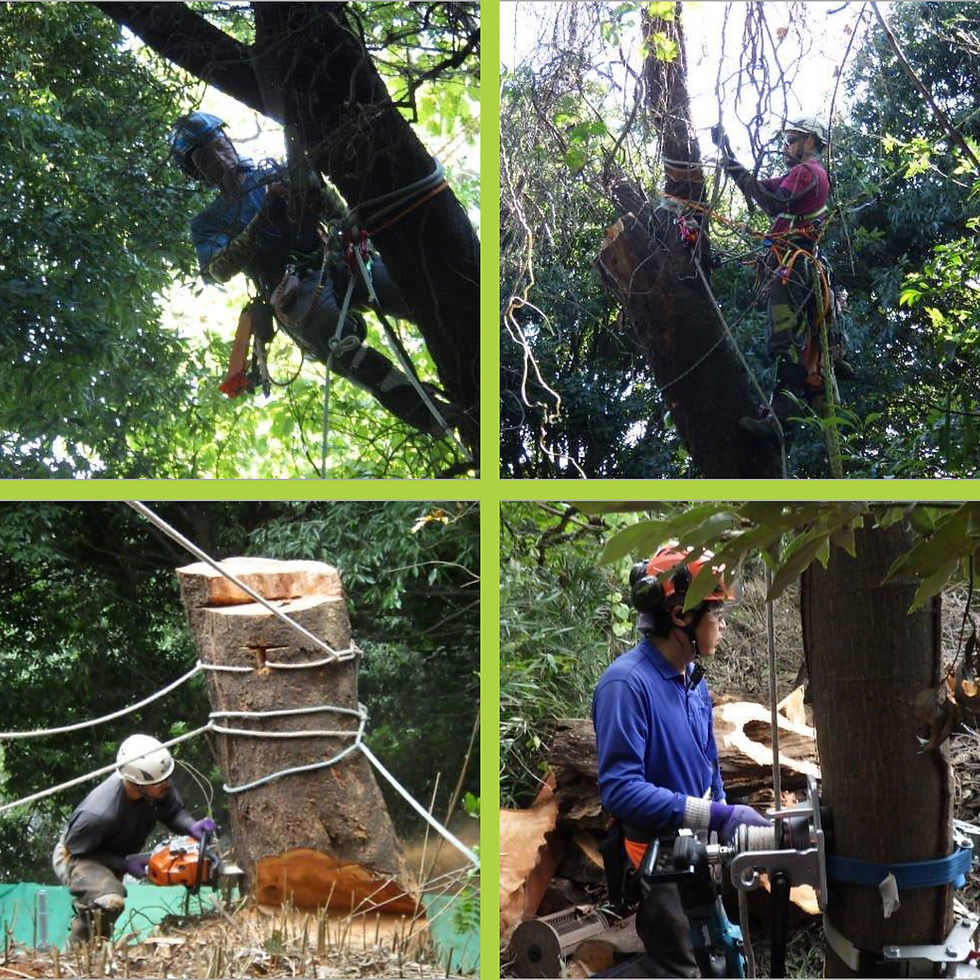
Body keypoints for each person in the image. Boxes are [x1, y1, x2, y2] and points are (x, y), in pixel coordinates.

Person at [168, 111, 457, 435]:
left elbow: (332, 208)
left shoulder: (277, 170)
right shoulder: (208, 222)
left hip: (335, 258)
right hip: (293, 287)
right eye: (205, 157)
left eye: (219, 145)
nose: (219, 157)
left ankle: (467, 347)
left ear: (229, 140)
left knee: (410, 288)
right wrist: (264, 219)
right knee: (333, 340)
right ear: (196, 173)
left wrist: (334, 217)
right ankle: (427, 411)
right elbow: (219, 269)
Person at [592, 546, 770, 977]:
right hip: (655, 850)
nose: (722, 625)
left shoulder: (691, 681)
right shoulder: (627, 685)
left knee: (722, 955)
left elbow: (706, 764)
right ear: (679, 616)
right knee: (678, 968)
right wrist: (716, 814)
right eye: (716, 614)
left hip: (697, 848)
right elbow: (620, 789)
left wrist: (726, 820)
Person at [713, 117, 850, 445]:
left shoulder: (807, 173)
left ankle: (781, 419)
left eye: (792, 141)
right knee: (791, 341)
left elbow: (772, 202)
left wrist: (728, 154)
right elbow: (760, 187)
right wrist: (728, 156)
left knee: (783, 341)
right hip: (796, 267)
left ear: (811, 142)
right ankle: (791, 409)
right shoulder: (799, 175)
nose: (785, 147)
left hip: (794, 267)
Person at [52, 734, 216, 947]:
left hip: (115, 852)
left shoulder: (156, 785)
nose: (166, 784)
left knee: (187, 859)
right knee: (108, 900)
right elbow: (78, 852)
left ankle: (98, 950)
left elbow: (173, 812)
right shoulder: (97, 814)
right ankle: (79, 953)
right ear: (136, 783)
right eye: (160, 782)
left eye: (167, 778)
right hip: (77, 854)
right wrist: (125, 865)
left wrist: (191, 826)